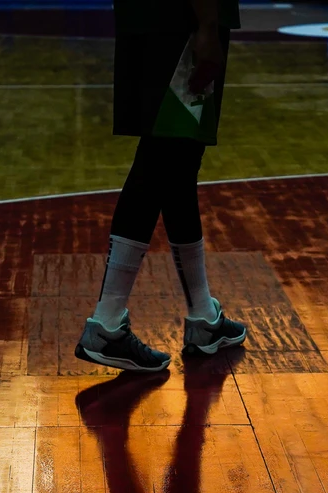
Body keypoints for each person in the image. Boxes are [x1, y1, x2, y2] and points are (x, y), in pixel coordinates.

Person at [76, 0, 247, 373]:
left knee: (177, 165)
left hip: (159, 20)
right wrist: (205, 24)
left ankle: (203, 316)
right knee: (160, 160)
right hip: (182, 24)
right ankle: (106, 323)